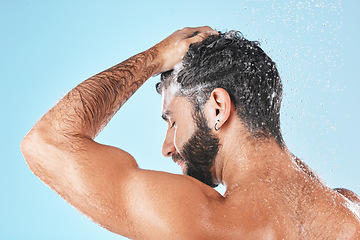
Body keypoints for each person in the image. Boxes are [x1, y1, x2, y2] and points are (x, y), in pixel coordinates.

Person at [21, 26, 360, 239]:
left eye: (172, 121)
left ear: (217, 108)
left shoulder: (207, 221)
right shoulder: (349, 207)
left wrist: (155, 56)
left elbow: (47, 143)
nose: (167, 147)